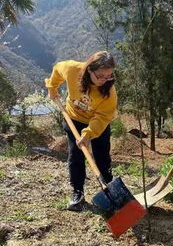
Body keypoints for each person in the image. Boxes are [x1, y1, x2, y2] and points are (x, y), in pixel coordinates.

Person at [45, 51, 118, 211]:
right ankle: (77, 193)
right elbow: (57, 69)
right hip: (74, 119)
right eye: (100, 76)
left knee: (103, 159)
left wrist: (88, 134)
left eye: (109, 76)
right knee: (76, 156)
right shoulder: (73, 70)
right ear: (89, 70)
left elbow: (102, 117)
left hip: (97, 124)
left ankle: (110, 193)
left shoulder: (109, 93)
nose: (104, 80)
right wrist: (52, 87)